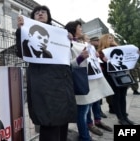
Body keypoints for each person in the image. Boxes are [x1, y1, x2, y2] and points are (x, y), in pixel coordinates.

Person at [16, 5, 77, 141]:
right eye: (37, 13)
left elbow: (65, 53)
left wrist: (69, 40)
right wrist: (20, 31)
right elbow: (20, 53)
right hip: (44, 85)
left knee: (62, 122)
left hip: (62, 83)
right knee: (49, 122)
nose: (40, 14)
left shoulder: (58, 33)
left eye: (43, 12)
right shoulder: (24, 33)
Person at [66, 21, 113, 141]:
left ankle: (90, 128)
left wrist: (94, 56)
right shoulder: (68, 44)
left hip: (89, 81)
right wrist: (81, 57)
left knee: (86, 109)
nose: (81, 29)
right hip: (80, 81)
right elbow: (68, 65)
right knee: (82, 112)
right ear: (73, 29)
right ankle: (85, 136)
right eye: (79, 27)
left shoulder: (81, 44)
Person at [97, 33, 135, 125]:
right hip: (111, 77)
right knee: (116, 96)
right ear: (104, 40)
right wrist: (104, 60)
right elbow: (100, 65)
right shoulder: (101, 52)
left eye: (112, 38)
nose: (112, 39)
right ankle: (120, 118)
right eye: (109, 38)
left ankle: (125, 116)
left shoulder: (118, 49)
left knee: (123, 96)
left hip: (122, 75)